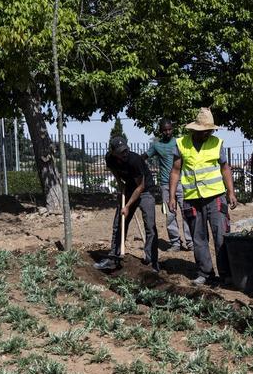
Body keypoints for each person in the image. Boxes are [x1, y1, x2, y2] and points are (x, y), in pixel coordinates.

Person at [169, 107, 238, 285]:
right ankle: (205, 273)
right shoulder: (181, 144)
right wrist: (171, 197)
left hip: (215, 197)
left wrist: (231, 192)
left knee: (221, 235)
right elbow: (175, 171)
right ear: (195, 130)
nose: (207, 133)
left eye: (209, 130)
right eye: (204, 131)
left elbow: (225, 168)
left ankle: (227, 274)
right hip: (192, 198)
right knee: (198, 237)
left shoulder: (217, 143)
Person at [95, 135, 159, 273]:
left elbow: (140, 187)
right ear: (113, 152)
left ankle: (152, 261)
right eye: (120, 152)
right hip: (129, 189)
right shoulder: (109, 158)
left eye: (125, 150)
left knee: (150, 225)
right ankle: (114, 256)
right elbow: (114, 171)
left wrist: (128, 206)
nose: (124, 154)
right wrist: (119, 184)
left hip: (145, 190)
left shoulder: (134, 160)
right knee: (119, 223)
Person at [146, 119, 191, 251]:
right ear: (160, 131)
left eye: (169, 129)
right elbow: (144, 156)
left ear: (173, 129)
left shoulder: (179, 142)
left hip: (182, 183)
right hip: (165, 185)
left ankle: (191, 242)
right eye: (165, 130)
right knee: (170, 215)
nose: (167, 132)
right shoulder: (156, 145)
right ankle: (175, 243)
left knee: (186, 213)